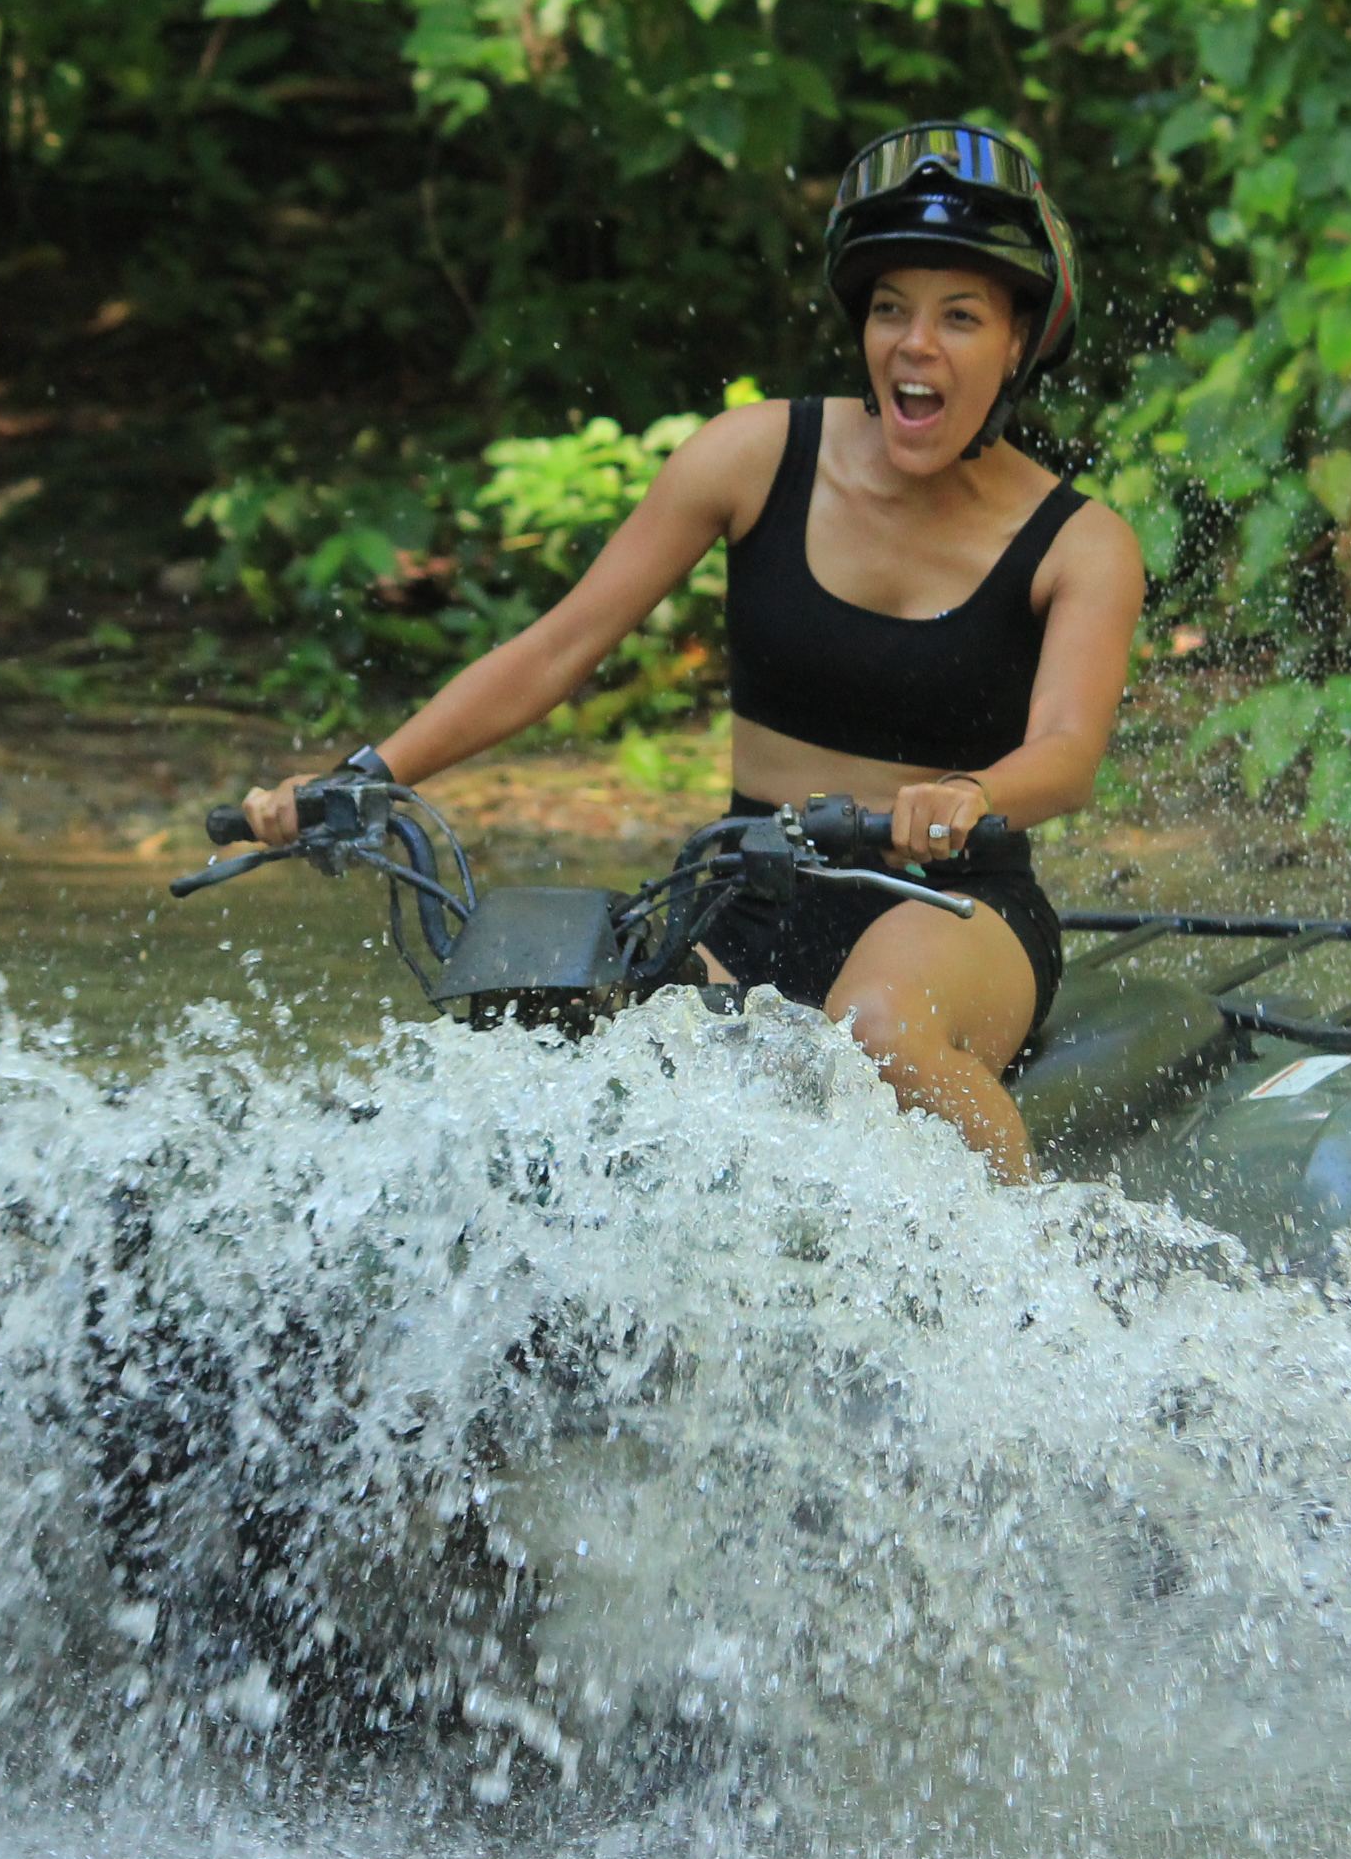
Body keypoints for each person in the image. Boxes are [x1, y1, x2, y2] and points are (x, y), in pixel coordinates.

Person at [241, 123, 1143, 1179]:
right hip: (747, 883)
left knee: (879, 1031)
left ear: (1020, 341)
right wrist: (363, 777)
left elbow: (1068, 754)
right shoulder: (755, 456)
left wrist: (968, 795)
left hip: (954, 900)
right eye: (891, 308)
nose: (916, 344)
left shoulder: (1081, 542)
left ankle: (1025, 1258)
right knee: (559, 1029)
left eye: (960, 316)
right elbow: (558, 648)